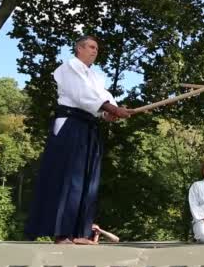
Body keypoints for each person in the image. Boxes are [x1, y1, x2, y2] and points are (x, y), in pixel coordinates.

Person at [25, 35, 133, 245]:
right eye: (91, 47)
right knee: (68, 178)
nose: (95, 51)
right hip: (70, 126)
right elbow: (83, 96)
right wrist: (111, 109)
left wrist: (109, 112)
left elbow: (103, 97)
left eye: (97, 48)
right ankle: (62, 233)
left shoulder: (94, 77)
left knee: (87, 179)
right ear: (79, 49)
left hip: (88, 127)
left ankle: (80, 232)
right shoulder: (69, 68)